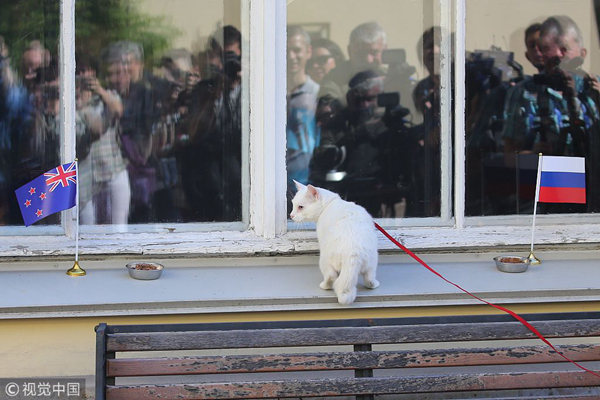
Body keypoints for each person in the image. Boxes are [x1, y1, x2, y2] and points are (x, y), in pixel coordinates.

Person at [502, 16, 600, 212]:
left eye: (564, 48)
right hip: (552, 199)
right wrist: (532, 156)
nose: (557, 55)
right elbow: (508, 158)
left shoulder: (594, 89)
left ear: (582, 53)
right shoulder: (523, 93)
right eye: (548, 48)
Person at [182, 25, 243, 222]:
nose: (227, 62)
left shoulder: (252, 89)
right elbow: (194, 132)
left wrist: (242, 83)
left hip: (241, 180)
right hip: (208, 182)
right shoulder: (204, 90)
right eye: (222, 56)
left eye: (231, 56)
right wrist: (217, 91)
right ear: (213, 57)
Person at [76, 53, 130, 226]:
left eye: (87, 72)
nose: (83, 76)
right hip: (88, 179)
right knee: (88, 232)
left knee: (118, 229)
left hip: (113, 170)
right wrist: (81, 103)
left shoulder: (107, 96)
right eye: (79, 72)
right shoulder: (72, 103)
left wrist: (99, 90)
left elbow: (118, 110)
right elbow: (95, 130)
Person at [286, 25, 320, 199]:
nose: (291, 56)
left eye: (297, 50)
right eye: (286, 50)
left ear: (308, 51)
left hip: (308, 184)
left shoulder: (317, 93)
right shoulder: (268, 96)